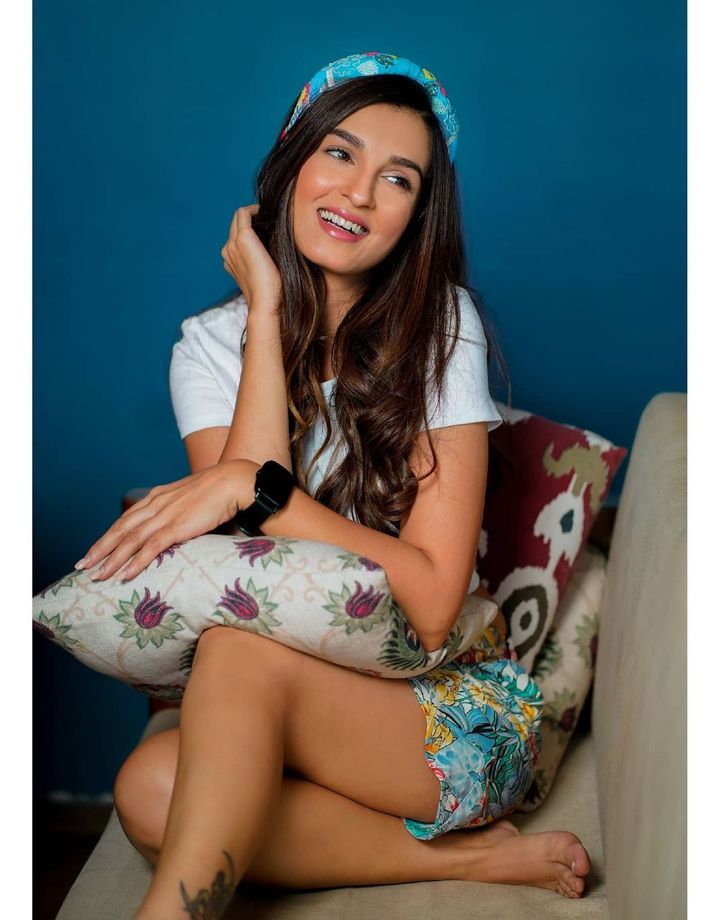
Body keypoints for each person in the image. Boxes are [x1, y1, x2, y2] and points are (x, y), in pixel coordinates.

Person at [76, 53, 591, 917]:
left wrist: (259, 489)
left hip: (442, 713)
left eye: (397, 179)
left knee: (239, 645)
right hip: (282, 700)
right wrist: (268, 314)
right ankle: (468, 863)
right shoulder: (209, 346)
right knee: (150, 794)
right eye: (340, 155)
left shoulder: (443, 328)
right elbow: (242, 559)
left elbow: (428, 602)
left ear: (417, 215)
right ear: (292, 160)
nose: (357, 194)